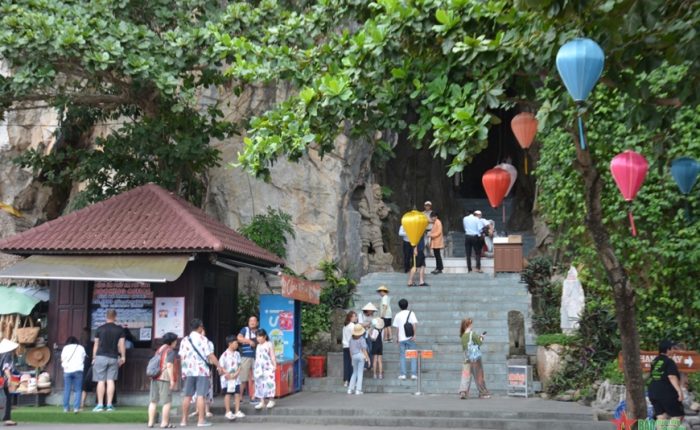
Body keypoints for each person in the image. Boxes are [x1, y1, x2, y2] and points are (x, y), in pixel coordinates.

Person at [179, 319, 225, 428]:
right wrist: (219, 366)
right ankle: (201, 420)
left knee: (187, 395)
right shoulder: (203, 339)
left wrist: (184, 370)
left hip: (188, 371)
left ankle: (183, 421)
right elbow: (210, 355)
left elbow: (181, 357)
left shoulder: (185, 340)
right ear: (200, 327)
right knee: (201, 395)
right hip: (201, 371)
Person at [92, 309, 126, 412]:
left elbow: (96, 345)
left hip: (100, 356)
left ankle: (100, 405)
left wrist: (94, 357)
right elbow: (121, 344)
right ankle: (110, 405)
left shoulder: (99, 329)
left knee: (101, 381)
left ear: (106, 317)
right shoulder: (120, 330)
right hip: (113, 357)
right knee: (111, 380)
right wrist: (123, 356)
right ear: (115, 317)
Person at [648, 340, 685, 423]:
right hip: (666, 392)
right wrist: (679, 391)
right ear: (668, 350)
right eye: (672, 349)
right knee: (678, 415)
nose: (673, 351)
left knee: (661, 417)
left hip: (653, 391)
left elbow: (653, 375)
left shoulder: (654, 361)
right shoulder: (669, 361)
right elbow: (671, 376)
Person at [147, 332, 178, 429]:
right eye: (175, 341)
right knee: (167, 402)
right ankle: (164, 423)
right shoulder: (170, 351)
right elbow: (169, 365)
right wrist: (172, 380)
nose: (176, 342)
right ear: (172, 341)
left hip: (155, 377)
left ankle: (150, 423)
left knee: (153, 401)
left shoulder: (159, 350)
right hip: (164, 378)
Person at [459, 318, 491, 399]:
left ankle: (463, 392)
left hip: (466, 358)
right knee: (479, 375)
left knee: (465, 375)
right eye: (471, 324)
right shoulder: (472, 334)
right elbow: (479, 343)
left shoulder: (462, 336)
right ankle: (483, 393)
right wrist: (482, 337)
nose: (472, 325)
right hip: (475, 358)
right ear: (469, 325)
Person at [219, 335, 245, 421]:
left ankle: (237, 411)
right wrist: (228, 374)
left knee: (237, 394)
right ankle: (228, 411)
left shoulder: (237, 354)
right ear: (230, 344)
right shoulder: (224, 355)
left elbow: (240, 365)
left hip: (236, 378)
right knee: (228, 394)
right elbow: (220, 367)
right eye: (235, 343)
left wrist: (236, 373)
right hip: (227, 379)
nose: (237, 344)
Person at [392, 299, 418, 380]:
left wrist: (397, 337)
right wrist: (414, 335)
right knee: (413, 355)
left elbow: (397, 328)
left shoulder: (397, 315)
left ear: (399, 306)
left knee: (402, 356)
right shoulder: (411, 313)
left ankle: (403, 374)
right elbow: (414, 325)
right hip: (410, 337)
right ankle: (413, 374)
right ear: (407, 305)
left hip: (401, 338)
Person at [61, 336, 86, 413]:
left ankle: (66, 408)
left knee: (67, 389)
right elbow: (83, 358)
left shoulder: (65, 348)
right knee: (78, 390)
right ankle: (76, 408)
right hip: (78, 370)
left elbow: (62, 359)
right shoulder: (81, 348)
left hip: (67, 370)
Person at [253, 328, 277, 410]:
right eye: (257, 337)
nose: (258, 338)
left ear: (265, 336)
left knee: (269, 382)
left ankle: (271, 400)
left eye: (260, 336)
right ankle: (262, 402)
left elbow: (272, 355)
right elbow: (257, 357)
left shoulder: (269, 344)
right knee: (259, 384)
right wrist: (255, 368)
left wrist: (274, 365)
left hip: (268, 367)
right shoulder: (258, 346)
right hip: (259, 368)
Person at [237, 316, 259, 405]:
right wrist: (249, 342)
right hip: (245, 356)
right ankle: (240, 397)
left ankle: (253, 397)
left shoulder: (259, 331)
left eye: (254, 320)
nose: (252, 322)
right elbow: (239, 338)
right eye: (250, 320)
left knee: (255, 378)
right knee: (243, 378)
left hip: (256, 357)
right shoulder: (244, 329)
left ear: (257, 322)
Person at [0, 338, 19, 426]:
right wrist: (10, 378)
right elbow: (6, 368)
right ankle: (7, 418)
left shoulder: (1, 355)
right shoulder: (8, 355)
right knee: (7, 398)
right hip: (3, 379)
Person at [347, 324, 370, 395]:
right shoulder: (361, 339)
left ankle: (350, 389)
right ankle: (358, 390)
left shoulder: (351, 339)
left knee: (354, 373)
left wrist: (351, 359)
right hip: (360, 356)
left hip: (353, 356)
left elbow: (350, 350)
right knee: (360, 373)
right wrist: (368, 359)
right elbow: (364, 350)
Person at [342, 311, 357, 387]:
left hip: (345, 346)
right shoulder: (352, 326)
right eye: (354, 316)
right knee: (352, 364)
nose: (356, 318)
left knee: (346, 364)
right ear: (350, 317)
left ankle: (346, 381)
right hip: (352, 346)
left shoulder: (345, 326)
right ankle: (352, 380)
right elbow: (355, 337)